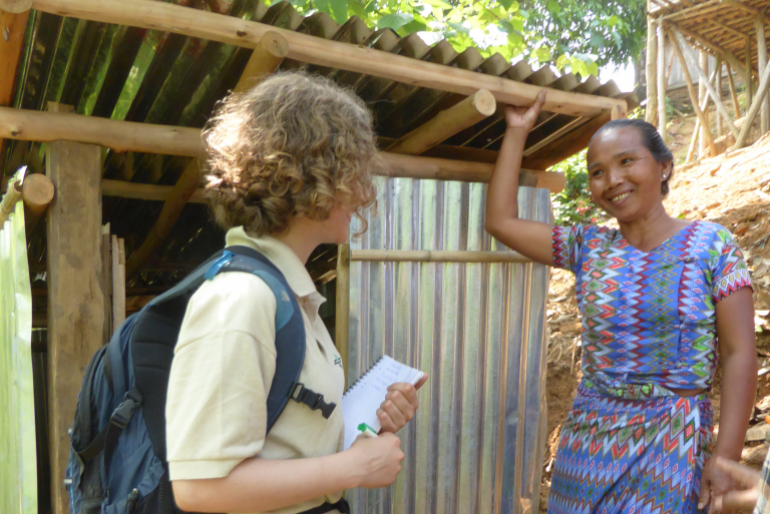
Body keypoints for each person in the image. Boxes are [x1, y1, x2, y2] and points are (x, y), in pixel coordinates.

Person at [164, 72, 427, 514]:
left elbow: (286, 444)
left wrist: (367, 426)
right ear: (307, 175)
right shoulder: (242, 299)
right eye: (352, 170)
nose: (364, 193)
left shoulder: (289, 295)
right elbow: (200, 488)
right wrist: (354, 470)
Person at [485, 91, 757, 513]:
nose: (611, 179)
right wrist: (517, 130)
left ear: (664, 166)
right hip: (588, 443)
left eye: (626, 161)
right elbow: (500, 221)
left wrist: (724, 458)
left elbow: (740, 355)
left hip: (672, 444)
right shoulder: (588, 246)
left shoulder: (711, 245)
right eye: (597, 171)